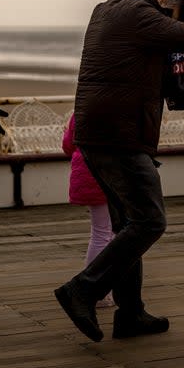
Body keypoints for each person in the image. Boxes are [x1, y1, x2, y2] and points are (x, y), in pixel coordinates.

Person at [54, 0, 184, 342]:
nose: (165, 27)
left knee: (128, 224)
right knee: (149, 221)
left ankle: (131, 314)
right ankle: (82, 290)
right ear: (162, 3)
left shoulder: (106, 10)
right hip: (118, 138)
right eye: (170, 17)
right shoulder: (137, 14)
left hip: (99, 136)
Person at [61, 113, 114, 309]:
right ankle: (98, 292)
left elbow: (67, 145)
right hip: (109, 173)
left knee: (100, 232)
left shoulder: (81, 109)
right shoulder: (116, 106)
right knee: (111, 234)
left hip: (85, 172)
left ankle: (99, 291)